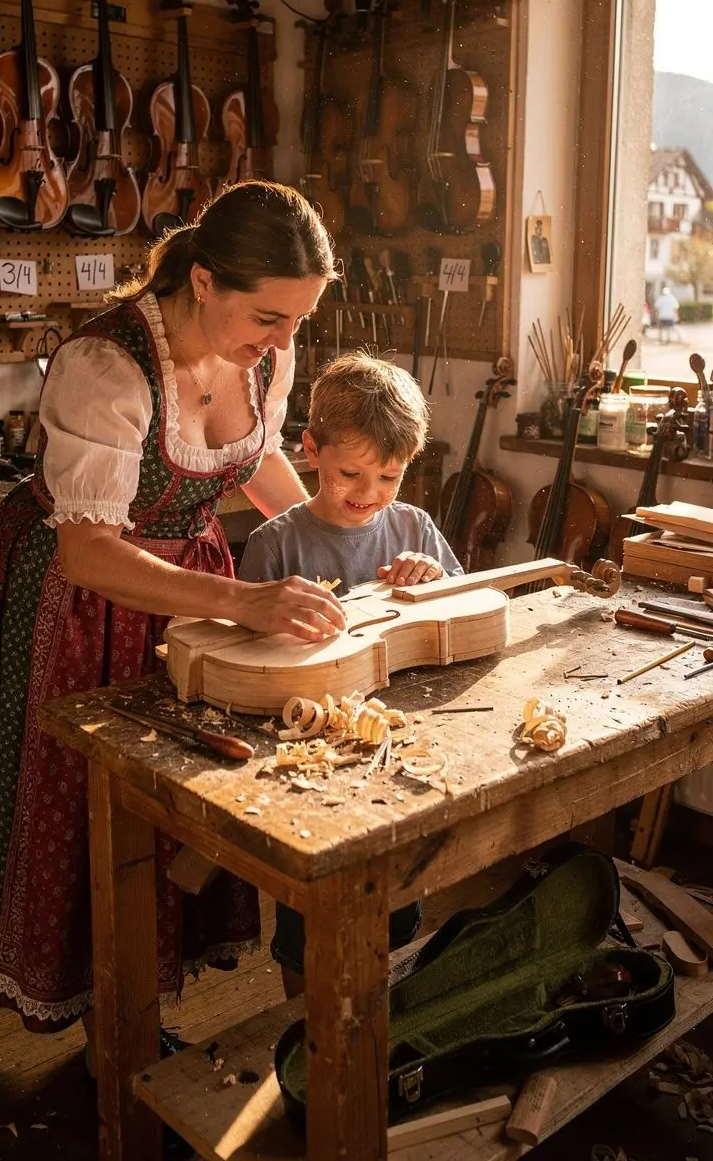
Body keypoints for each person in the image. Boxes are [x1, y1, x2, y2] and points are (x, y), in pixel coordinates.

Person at [0, 182, 347, 1044]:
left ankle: (136, 1010)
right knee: (83, 802)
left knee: (177, 796)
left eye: (299, 320)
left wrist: (325, 542)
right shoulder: (105, 364)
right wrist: (245, 601)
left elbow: (256, 459)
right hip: (72, 593)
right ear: (203, 282)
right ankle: (104, 1032)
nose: (283, 339)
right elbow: (88, 550)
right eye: (270, 317)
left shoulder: (266, 358)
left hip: (185, 586)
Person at [238, 351, 462, 996]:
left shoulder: (413, 526)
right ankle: (299, 1025)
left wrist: (435, 580)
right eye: (351, 473)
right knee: (309, 908)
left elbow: (464, 610)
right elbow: (246, 659)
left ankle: (381, 1017)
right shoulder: (276, 544)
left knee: (396, 897)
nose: (369, 494)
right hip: (306, 746)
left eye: (389, 476)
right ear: (309, 450)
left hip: (401, 737)